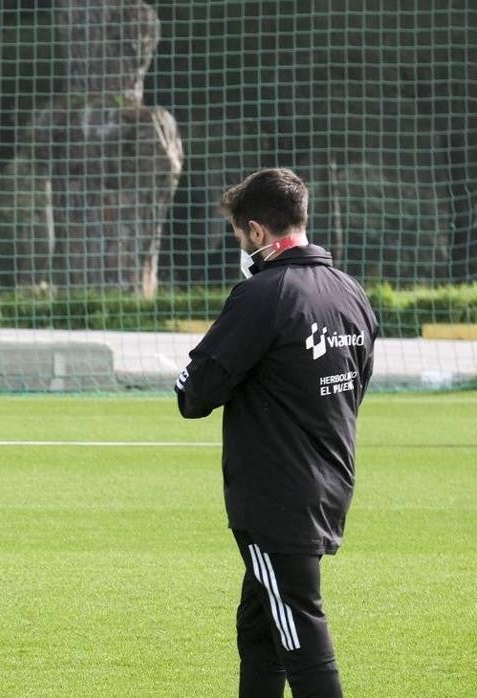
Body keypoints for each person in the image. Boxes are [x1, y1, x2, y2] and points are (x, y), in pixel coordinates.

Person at [174, 168, 378, 698]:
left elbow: (194, 395)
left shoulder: (263, 293)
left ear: (258, 232)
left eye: (240, 235)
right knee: (261, 630)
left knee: (300, 634)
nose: (240, 245)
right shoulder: (349, 292)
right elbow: (356, 383)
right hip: (329, 481)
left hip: (275, 497)